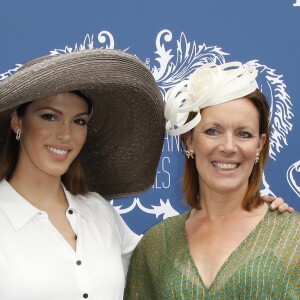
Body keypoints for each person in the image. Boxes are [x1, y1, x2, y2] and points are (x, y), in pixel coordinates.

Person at [124, 61, 300, 299]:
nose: (228, 147)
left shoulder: (293, 236)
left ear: (259, 144)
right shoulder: (155, 245)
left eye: (243, 134)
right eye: (212, 131)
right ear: (190, 140)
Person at [0, 49, 165, 299]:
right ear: (17, 121)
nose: (65, 135)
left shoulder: (99, 211)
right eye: (49, 117)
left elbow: (161, 272)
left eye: (79, 121)